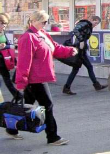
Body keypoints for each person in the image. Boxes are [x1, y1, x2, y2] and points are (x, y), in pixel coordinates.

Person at [15, 10, 78, 145]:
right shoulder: (28, 37)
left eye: (46, 22)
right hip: (35, 79)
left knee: (26, 105)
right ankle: (52, 137)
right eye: (43, 22)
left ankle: (12, 129)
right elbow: (23, 62)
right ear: (34, 21)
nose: (45, 24)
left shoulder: (42, 34)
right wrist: (21, 83)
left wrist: (70, 50)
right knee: (47, 105)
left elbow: (54, 48)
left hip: (38, 77)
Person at [62, 15, 107, 95]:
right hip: (79, 50)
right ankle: (96, 85)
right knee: (85, 67)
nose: (95, 25)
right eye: (95, 22)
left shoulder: (88, 25)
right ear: (92, 19)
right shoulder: (85, 23)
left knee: (79, 68)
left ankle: (67, 87)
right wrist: (82, 40)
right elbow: (75, 30)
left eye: (97, 24)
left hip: (80, 50)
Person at [0, 13, 25, 139]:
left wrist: (6, 46)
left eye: (4, 24)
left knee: (8, 82)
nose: (3, 26)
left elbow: (9, 46)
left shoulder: (3, 34)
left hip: (3, 62)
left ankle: (17, 95)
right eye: (1, 24)